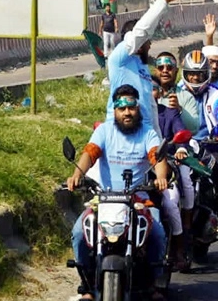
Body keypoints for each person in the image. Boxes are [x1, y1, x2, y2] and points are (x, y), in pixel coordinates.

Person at [67, 85, 172, 301]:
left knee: (158, 233)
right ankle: (86, 285)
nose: (127, 112)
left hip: (137, 199)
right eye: (121, 108)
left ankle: (154, 283)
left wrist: (161, 178)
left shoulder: (148, 133)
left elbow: (158, 158)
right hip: (103, 199)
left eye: (131, 107)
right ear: (114, 110)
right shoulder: (104, 131)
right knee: (79, 233)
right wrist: (76, 175)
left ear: (138, 109)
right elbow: (90, 154)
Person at [107, 0, 181, 132]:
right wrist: (164, 2)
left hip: (144, 137)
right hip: (120, 133)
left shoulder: (142, 67)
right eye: (147, 41)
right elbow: (140, 32)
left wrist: (158, 146)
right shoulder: (119, 60)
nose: (150, 45)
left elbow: (151, 110)